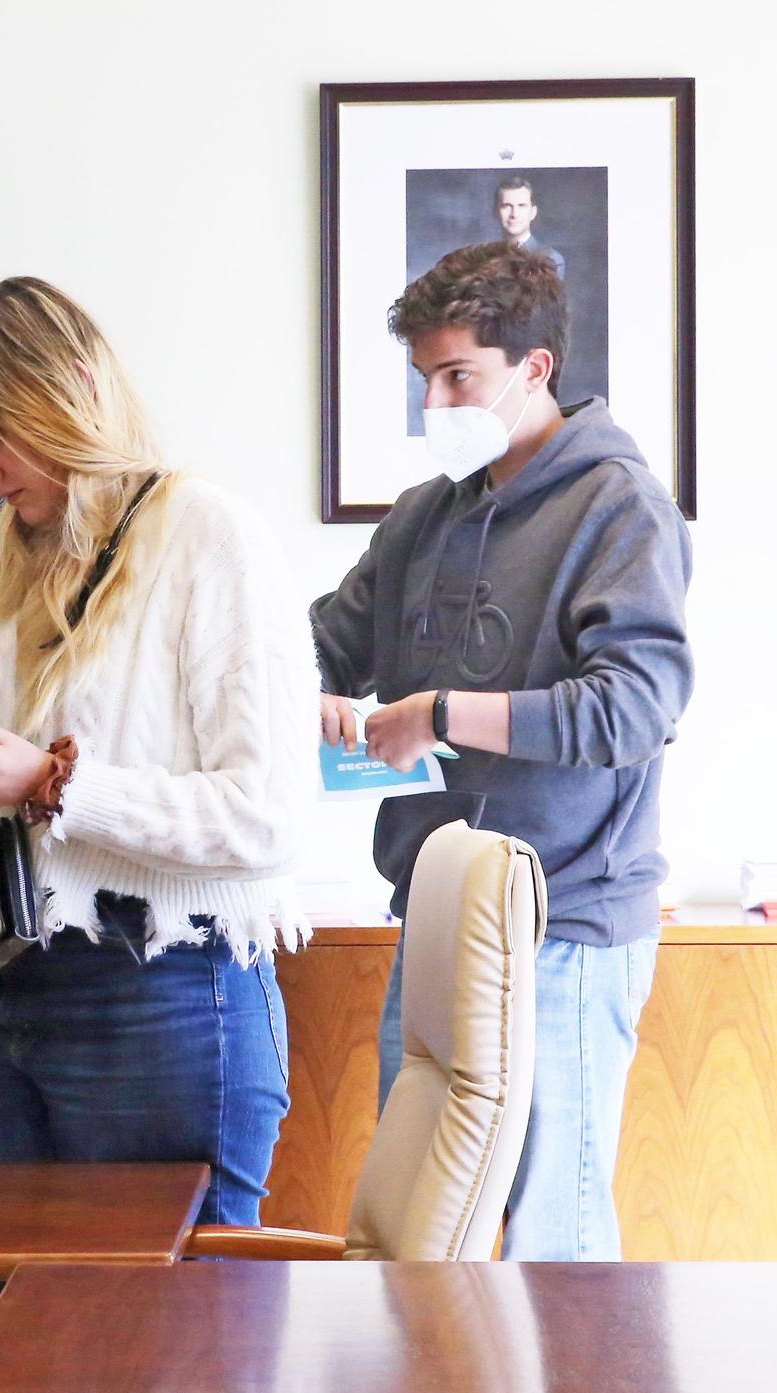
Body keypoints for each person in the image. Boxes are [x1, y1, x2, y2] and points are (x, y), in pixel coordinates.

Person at [0, 278, 319, 1302]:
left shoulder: (205, 534)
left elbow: (264, 814)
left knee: (170, 1343)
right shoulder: (6, 554)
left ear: (72, 389)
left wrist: (51, 782)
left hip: (155, 994)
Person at [312, 242, 693, 1261]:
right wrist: (306, 697)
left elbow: (633, 710)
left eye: (456, 377)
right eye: (422, 380)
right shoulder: (421, 517)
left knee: (547, 1247)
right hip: (434, 914)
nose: (434, 403)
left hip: (562, 922)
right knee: (426, 1250)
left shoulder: (617, 507)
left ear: (534, 368)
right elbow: (320, 647)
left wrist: (439, 713)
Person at [494, 175, 565, 279]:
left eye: (521, 206)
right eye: (507, 206)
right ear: (495, 211)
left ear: (533, 212)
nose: (514, 214)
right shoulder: (485, 258)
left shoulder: (551, 260)